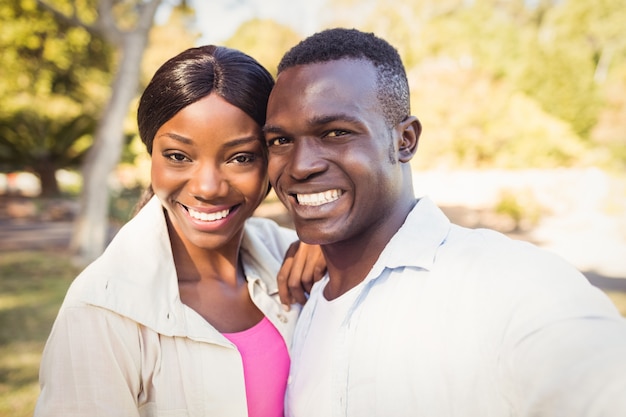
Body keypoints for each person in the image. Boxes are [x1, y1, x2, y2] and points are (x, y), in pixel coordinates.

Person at [265, 28, 626, 417]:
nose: (300, 166)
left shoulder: (512, 285)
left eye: (336, 133)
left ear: (405, 140)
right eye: (281, 141)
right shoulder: (298, 301)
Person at [35, 45, 324, 417]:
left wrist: (329, 245)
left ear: (271, 158)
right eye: (178, 156)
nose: (208, 187)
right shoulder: (101, 309)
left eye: (240, 157)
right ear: (151, 155)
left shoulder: (288, 254)